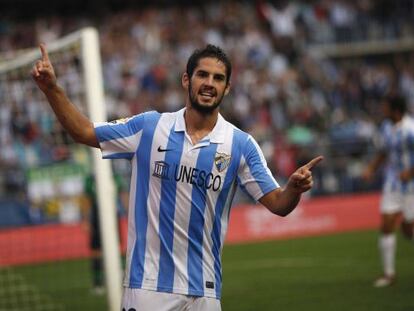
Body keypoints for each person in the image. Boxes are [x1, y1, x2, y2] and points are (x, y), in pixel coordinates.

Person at [32, 43, 322, 311]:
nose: (209, 83)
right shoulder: (149, 127)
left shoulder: (240, 145)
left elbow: (279, 204)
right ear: (187, 80)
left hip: (205, 291)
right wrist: (52, 89)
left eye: (218, 78)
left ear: (228, 88)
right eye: (202, 75)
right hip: (147, 287)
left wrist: (294, 189)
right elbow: (83, 132)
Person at [362, 95, 414, 288]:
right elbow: (383, 152)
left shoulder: (410, 129)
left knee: (409, 231)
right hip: (392, 185)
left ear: (396, 110)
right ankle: (389, 274)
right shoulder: (385, 128)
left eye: (385, 107)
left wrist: (410, 172)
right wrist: (371, 169)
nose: (382, 110)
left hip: (411, 188)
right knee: (386, 225)